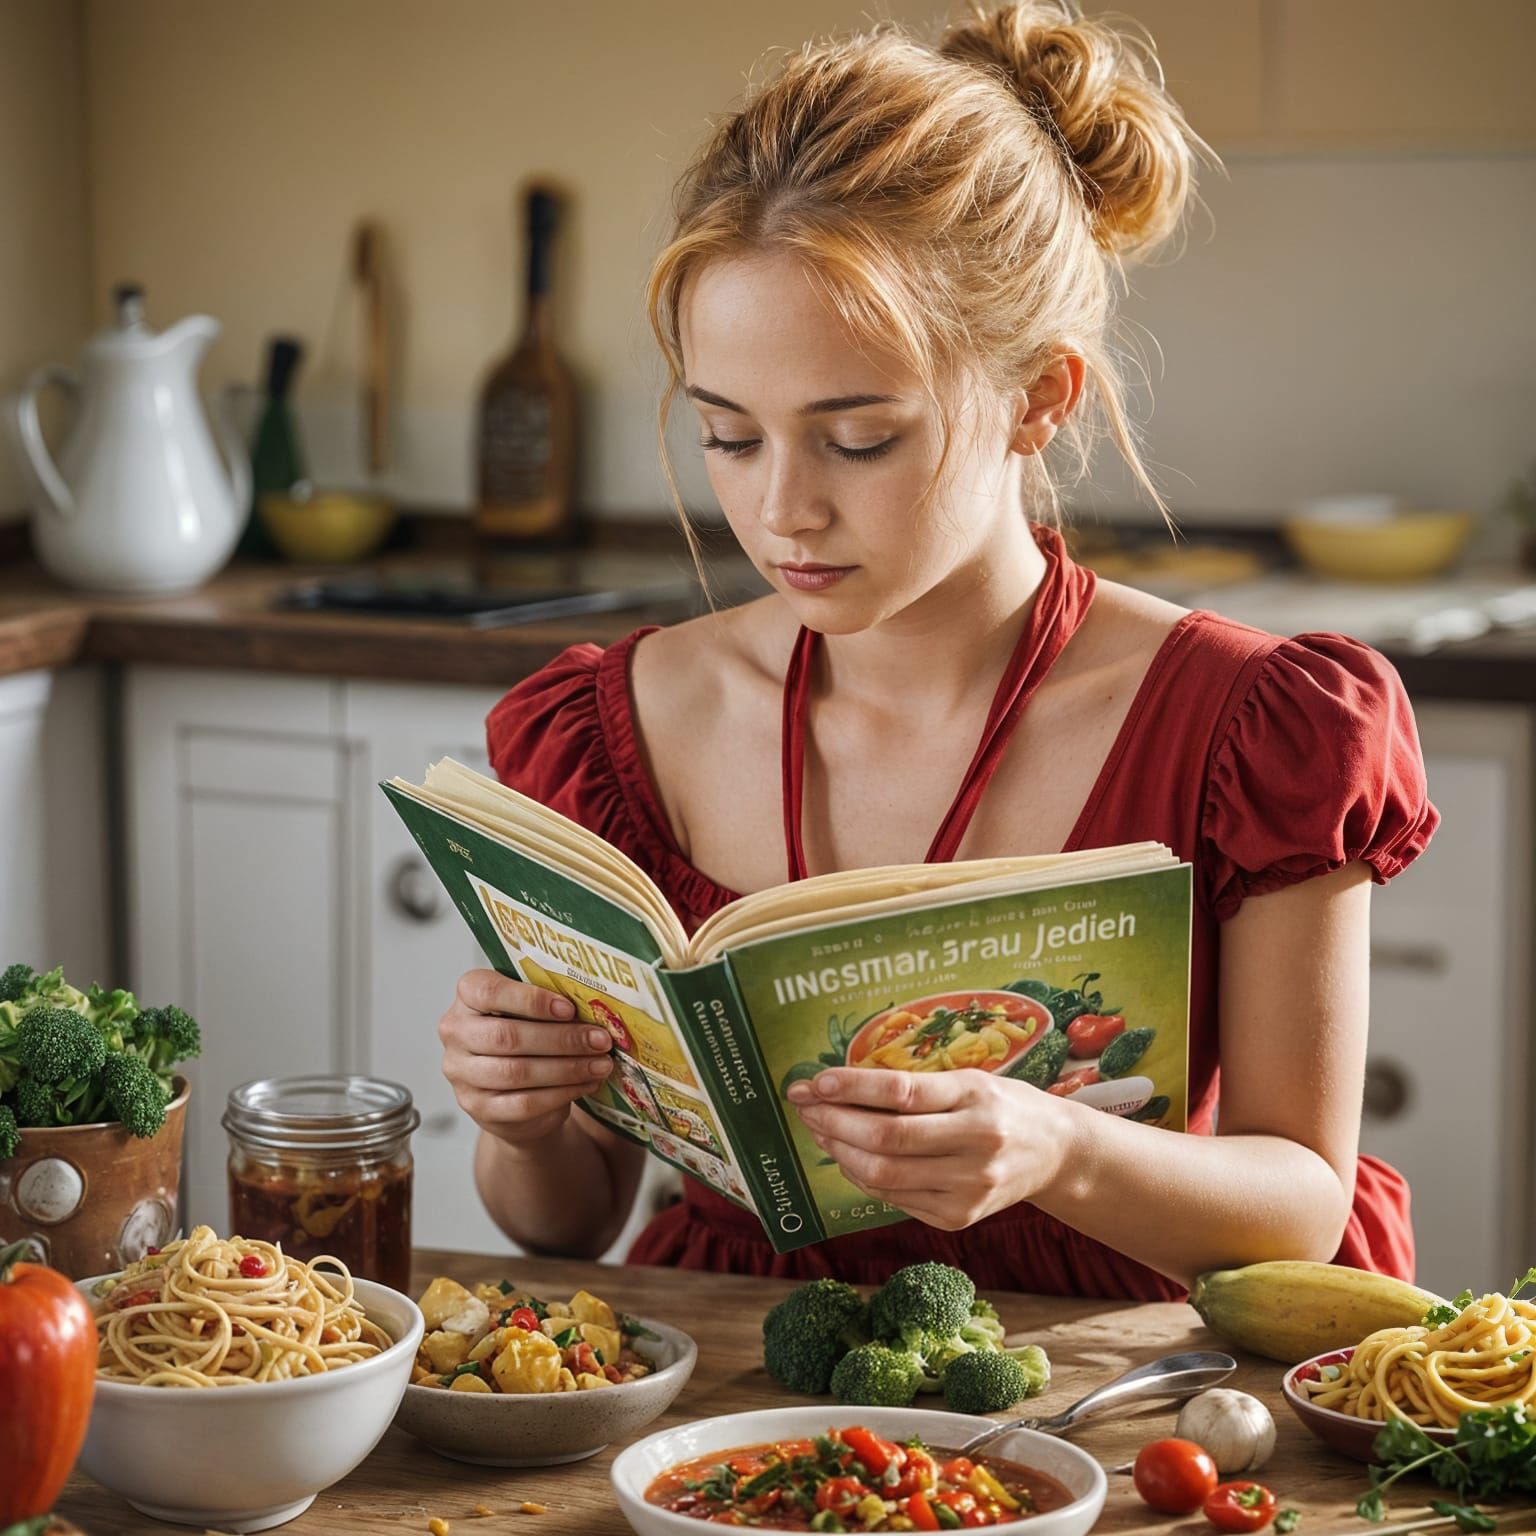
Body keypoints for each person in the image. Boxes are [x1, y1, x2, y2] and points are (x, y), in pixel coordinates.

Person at [438, 1, 1437, 1299]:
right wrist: (518, 1118)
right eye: (730, 437)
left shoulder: (1256, 724)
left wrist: (1062, 1149)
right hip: (723, 1419)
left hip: (1103, 1413)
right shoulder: (618, 725)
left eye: (858, 439)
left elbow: (1303, 1204)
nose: (783, 510)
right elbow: (565, 1227)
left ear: (1041, 398)